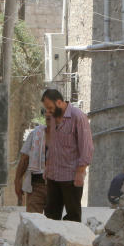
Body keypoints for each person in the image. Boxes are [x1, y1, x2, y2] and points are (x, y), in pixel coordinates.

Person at [41, 89, 94, 222]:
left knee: (72, 217)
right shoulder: (53, 118)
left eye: (50, 107)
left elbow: (86, 147)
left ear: (59, 102)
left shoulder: (78, 117)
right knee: (50, 216)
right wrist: (47, 168)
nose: (48, 111)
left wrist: (80, 172)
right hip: (53, 175)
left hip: (71, 177)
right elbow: (52, 145)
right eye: (46, 108)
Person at [13, 122, 48, 213]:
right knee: (33, 220)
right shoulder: (36, 133)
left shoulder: (66, 136)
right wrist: (17, 180)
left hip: (57, 187)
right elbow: (24, 158)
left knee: (53, 222)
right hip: (36, 185)